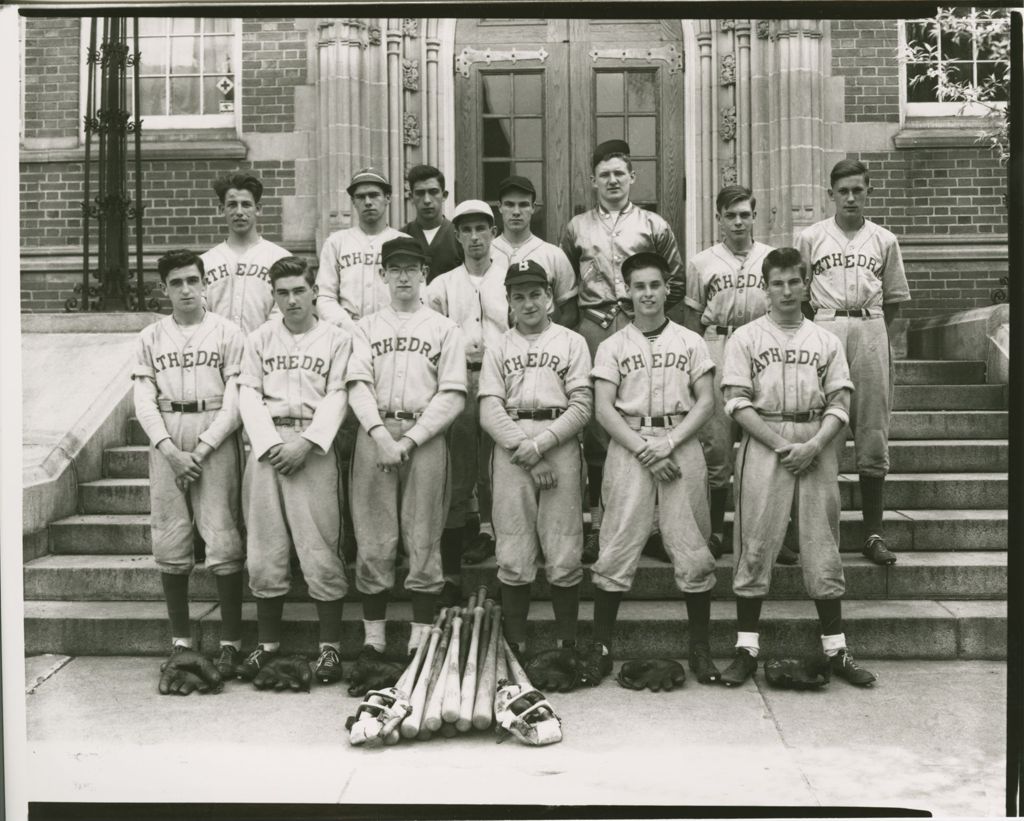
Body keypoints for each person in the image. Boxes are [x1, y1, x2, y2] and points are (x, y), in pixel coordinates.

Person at [718, 247, 876, 688]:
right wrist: (783, 445)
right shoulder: (746, 337)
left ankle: (837, 650)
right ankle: (746, 650)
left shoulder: (825, 340)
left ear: (806, 284)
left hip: (817, 441)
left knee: (823, 543)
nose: (787, 290)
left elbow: (841, 402)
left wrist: (814, 445)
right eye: (777, 282)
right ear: (765, 288)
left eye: (794, 281)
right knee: (754, 543)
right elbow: (735, 402)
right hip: (764, 441)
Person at [583, 251, 719, 688]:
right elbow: (603, 410)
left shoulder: (690, 341)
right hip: (630, 448)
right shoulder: (612, 345)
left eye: (654, 285)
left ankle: (700, 649)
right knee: (617, 543)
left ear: (666, 290)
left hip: (680, 444)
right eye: (638, 286)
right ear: (627, 291)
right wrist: (646, 449)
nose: (647, 294)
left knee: (693, 544)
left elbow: (706, 402)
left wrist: (669, 445)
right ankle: (601, 648)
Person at [559, 140, 685, 563]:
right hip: (594, 330)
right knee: (599, 429)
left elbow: (677, 280)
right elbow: (565, 285)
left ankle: (652, 526)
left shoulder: (652, 225)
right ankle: (601, 524)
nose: (612, 180)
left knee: (646, 419)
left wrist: (644, 315)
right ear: (593, 181)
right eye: (604, 174)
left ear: (632, 177)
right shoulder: (577, 228)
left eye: (620, 173)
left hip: (640, 330)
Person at [346, 236, 467, 674]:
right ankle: (373, 641)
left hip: (425, 433)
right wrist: (381, 436)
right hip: (375, 431)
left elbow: (453, 395)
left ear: (424, 275)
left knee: (424, 533)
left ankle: (419, 639)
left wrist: (410, 440)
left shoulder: (444, 328)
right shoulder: (364, 327)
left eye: (411, 268)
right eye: (394, 269)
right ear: (382, 275)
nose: (403, 276)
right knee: (374, 537)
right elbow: (357, 385)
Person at [133, 249, 246, 694]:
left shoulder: (228, 332)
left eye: (192, 281)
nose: (185, 289)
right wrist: (168, 449)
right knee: (171, 534)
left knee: (222, 534)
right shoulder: (150, 336)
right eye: (176, 282)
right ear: (165, 289)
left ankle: (231, 642)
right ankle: (180, 640)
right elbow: (143, 398)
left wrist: (202, 447)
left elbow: (236, 396)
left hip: (213, 428)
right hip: (167, 432)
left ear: (205, 284)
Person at [236, 256, 352, 690]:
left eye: (298, 290)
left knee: (320, 544)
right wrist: (269, 444)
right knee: (264, 548)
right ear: (274, 296)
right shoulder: (260, 339)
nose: (291, 300)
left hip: (313, 449)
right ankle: (267, 646)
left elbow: (339, 393)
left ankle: (329, 646)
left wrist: (306, 443)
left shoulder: (336, 339)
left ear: (314, 292)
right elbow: (247, 393)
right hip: (267, 451)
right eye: (282, 292)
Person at [796, 159, 911, 567]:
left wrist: (871, 333)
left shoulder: (884, 240)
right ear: (830, 194)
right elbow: (799, 296)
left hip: (870, 325)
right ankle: (809, 532)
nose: (850, 197)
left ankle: (873, 533)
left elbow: (895, 300)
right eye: (842, 190)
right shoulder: (811, 238)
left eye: (857, 190)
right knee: (817, 422)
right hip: (825, 327)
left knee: (872, 428)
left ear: (868, 191)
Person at [478, 258, 593, 666]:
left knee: (563, 548)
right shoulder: (499, 345)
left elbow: (581, 407)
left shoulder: (571, 342)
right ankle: (516, 646)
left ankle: (566, 647)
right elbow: (489, 411)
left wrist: (540, 445)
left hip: (558, 442)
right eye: (518, 296)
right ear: (508, 303)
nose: (528, 303)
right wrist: (527, 452)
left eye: (536, 294)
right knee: (512, 548)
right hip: (511, 448)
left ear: (550, 298)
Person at [682, 185, 774, 559]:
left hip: (760, 346)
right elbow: (690, 322)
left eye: (745, 214)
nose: (738, 221)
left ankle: (770, 531)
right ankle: (716, 529)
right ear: (718, 219)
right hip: (716, 343)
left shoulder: (770, 258)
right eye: (730, 215)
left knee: (764, 438)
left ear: (755, 216)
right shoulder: (702, 262)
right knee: (717, 443)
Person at [426, 200, 509, 604]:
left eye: (482, 229)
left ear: (493, 233)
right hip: (458, 378)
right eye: (467, 230)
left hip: (501, 379)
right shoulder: (441, 285)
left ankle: (506, 569)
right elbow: (431, 339)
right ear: (456, 236)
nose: (475, 237)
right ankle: (451, 576)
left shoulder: (510, 278)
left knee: (499, 470)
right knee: (457, 475)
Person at [316, 167, 411, 334]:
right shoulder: (336, 242)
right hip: (347, 331)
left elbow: (416, 294)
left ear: (387, 198)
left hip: (394, 331)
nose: (367, 202)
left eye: (374, 195)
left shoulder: (404, 242)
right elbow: (325, 296)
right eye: (360, 197)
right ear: (353, 202)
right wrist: (347, 326)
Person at [201, 173, 291, 335]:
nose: (239, 212)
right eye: (232, 205)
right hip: (217, 352)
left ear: (258, 209)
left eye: (246, 204)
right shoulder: (205, 262)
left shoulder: (280, 258)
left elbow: (284, 309)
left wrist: (258, 342)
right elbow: (199, 313)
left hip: (267, 350)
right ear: (222, 209)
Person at [490, 175, 578, 328]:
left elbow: (570, 312)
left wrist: (549, 339)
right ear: (499, 207)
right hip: (495, 344)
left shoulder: (553, 254)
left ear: (533, 208)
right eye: (509, 205)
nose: (516, 212)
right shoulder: (486, 253)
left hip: (541, 345)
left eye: (523, 205)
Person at [399, 164, 463, 282]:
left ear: (444, 195)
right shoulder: (401, 237)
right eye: (420, 193)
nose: (427, 200)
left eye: (433, 192)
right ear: (411, 197)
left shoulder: (459, 236)